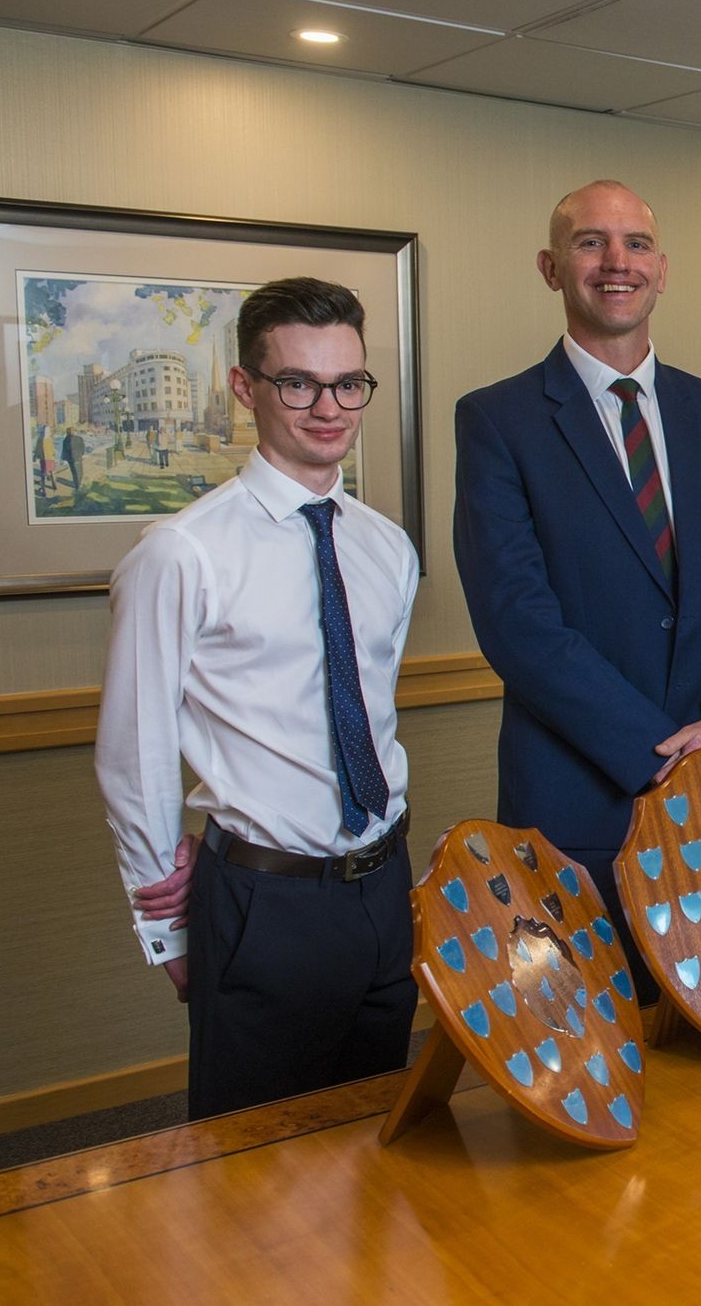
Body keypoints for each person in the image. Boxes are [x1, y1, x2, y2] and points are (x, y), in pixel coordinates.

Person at [454, 180, 701, 1003]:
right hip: (578, 803)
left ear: (662, 269)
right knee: (590, 1037)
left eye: (635, 243)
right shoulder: (499, 421)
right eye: (591, 242)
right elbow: (518, 624)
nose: (616, 262)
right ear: (551, 266)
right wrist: (663, 756)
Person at [95, 278, 417, 1119]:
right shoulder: (181, 553)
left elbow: (368, 709)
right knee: (253, 1176)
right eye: (297, 383)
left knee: (378, 1137)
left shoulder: (388, 548)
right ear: (246, 388)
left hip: (387, 888)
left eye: (348, 383)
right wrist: (168, 929)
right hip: (263, 905)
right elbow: (135, 753)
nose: (328, 408)